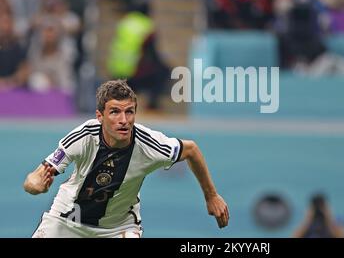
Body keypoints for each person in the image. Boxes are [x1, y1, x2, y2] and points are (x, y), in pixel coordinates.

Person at [24, 79, 229, 238]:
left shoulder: (150, 144)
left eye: (129, 112)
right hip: (67, 220)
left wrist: (211, 195)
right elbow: (35, 177)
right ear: (100, 116)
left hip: (118, 228)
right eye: (115, 112)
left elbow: (191, 150)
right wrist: (35, 185)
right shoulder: (84, 135)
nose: (123, 120)